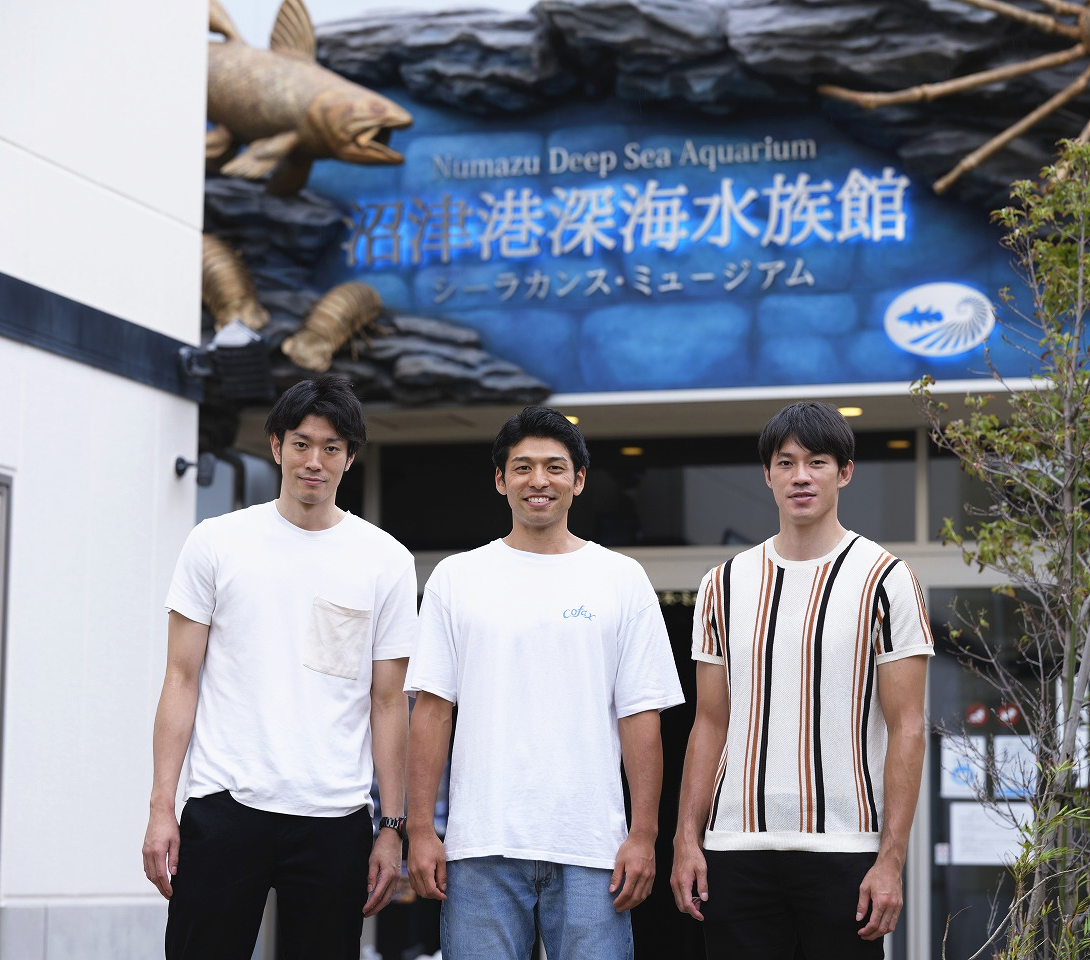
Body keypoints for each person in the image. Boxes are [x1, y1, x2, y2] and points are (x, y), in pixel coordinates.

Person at [141, 375, 416, 960]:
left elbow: (388, 700)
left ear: (350, 458)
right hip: (224, 807)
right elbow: (180, 679)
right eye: (301, 443)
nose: (314, 461)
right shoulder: (217, 542)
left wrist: (392, 828)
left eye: (332, 448)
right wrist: (162, 806)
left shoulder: (386, 560)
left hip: (334, 815)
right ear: (275, 445)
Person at [405, 406, 684, 960]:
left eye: (555, 467)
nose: (539, 481)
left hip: (592, 847)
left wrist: (644, 833)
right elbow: (432, 711)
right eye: (523, 467)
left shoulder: (621, 579)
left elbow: (641, 716)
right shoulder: (457, 578)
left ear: (579, 481)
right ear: (500, 480)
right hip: (479, 843)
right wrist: (419, 829)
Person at [671, 401, 933, 959]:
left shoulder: (886, 579)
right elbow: (710, 722)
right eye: (786, 463)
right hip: (735, 846)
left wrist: (891, 859)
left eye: (817, 462)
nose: (801, 477)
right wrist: (686, 840)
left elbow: (908, 726)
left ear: (845, 472)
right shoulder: (722, 584)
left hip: (845, 847)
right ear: (767, 475)